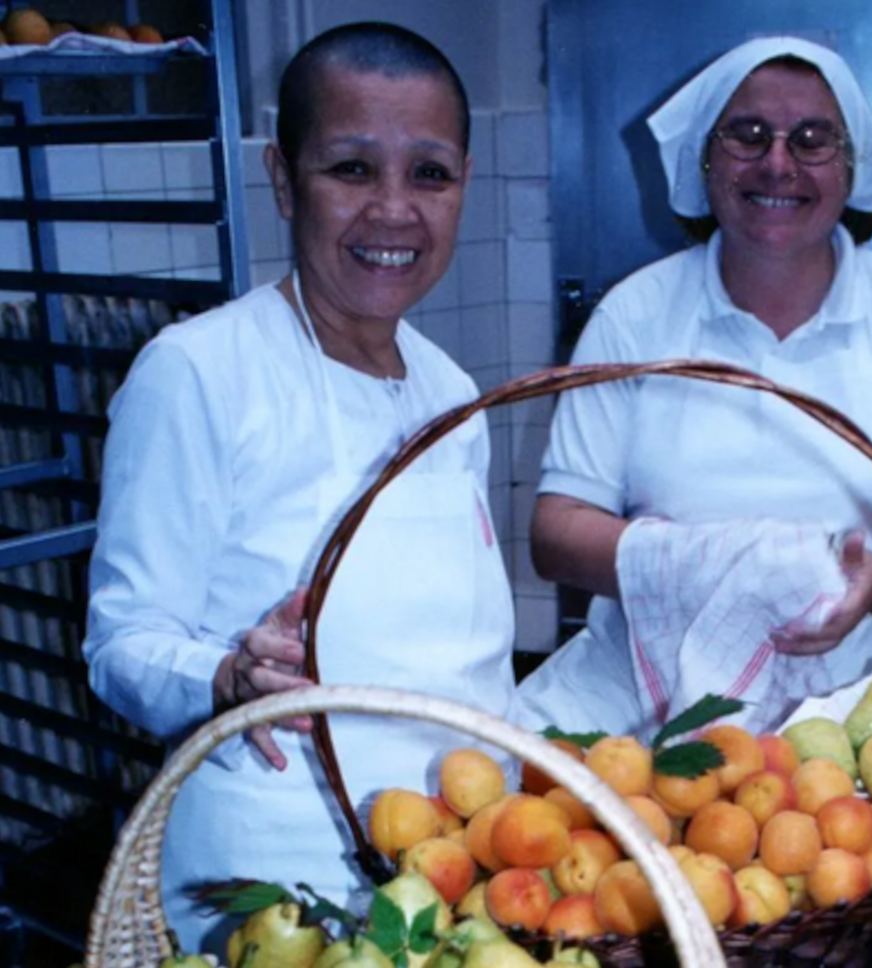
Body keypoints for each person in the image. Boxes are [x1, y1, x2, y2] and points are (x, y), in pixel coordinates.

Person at [82, 22, 513, 952]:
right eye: (351, 169)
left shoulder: (452, 391)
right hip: (272, 883)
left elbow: (464, 654)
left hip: (454, 871)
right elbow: (121, 645)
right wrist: (227, 676)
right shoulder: (198, 372)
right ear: (283, 179)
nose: (394, 211)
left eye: (429, 174)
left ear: (463, 187)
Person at [516, 36, 872, 738]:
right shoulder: (636, 312)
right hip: (642, 694)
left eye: (813, 140)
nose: (778, 163)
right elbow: (557, 534)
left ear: (850, 168)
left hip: (854, 707)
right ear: (706, 158)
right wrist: (709, 568)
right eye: (747, 135)